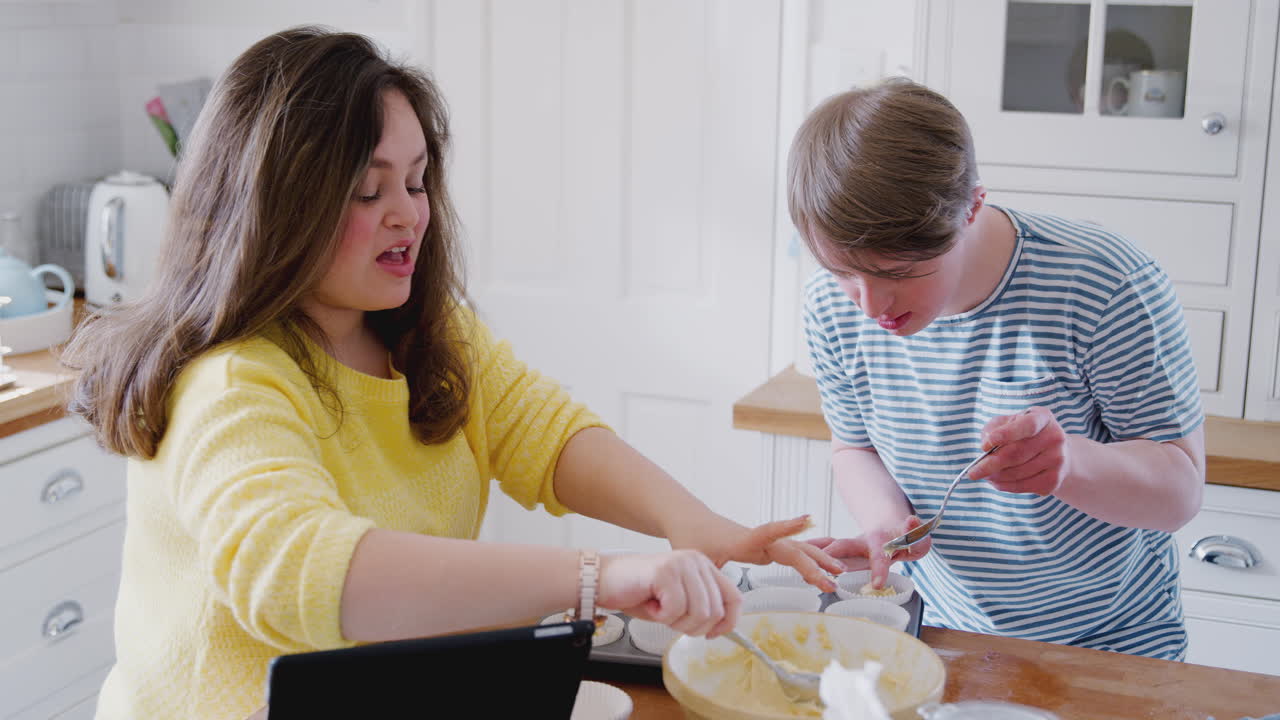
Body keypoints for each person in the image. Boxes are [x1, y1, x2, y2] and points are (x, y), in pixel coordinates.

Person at [63, 27, 845, 720]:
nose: (408, 213)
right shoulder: (232, 384)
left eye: (416, 180)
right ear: (276, 209)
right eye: (368, 190)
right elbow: (307, 575)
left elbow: (543, 434)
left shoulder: (430, 337)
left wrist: (689, 521)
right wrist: (599, 577)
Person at [789, 77, 1204, 660]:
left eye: (899, 273)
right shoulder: (829, 306)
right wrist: (887, 524)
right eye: (842, 272)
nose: (869, 304)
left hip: (1112, 647)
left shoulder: (1106, 283)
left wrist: (1070, 464)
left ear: (972, 209)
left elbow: (1180, 494)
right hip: (946, 635)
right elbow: (854, 447)